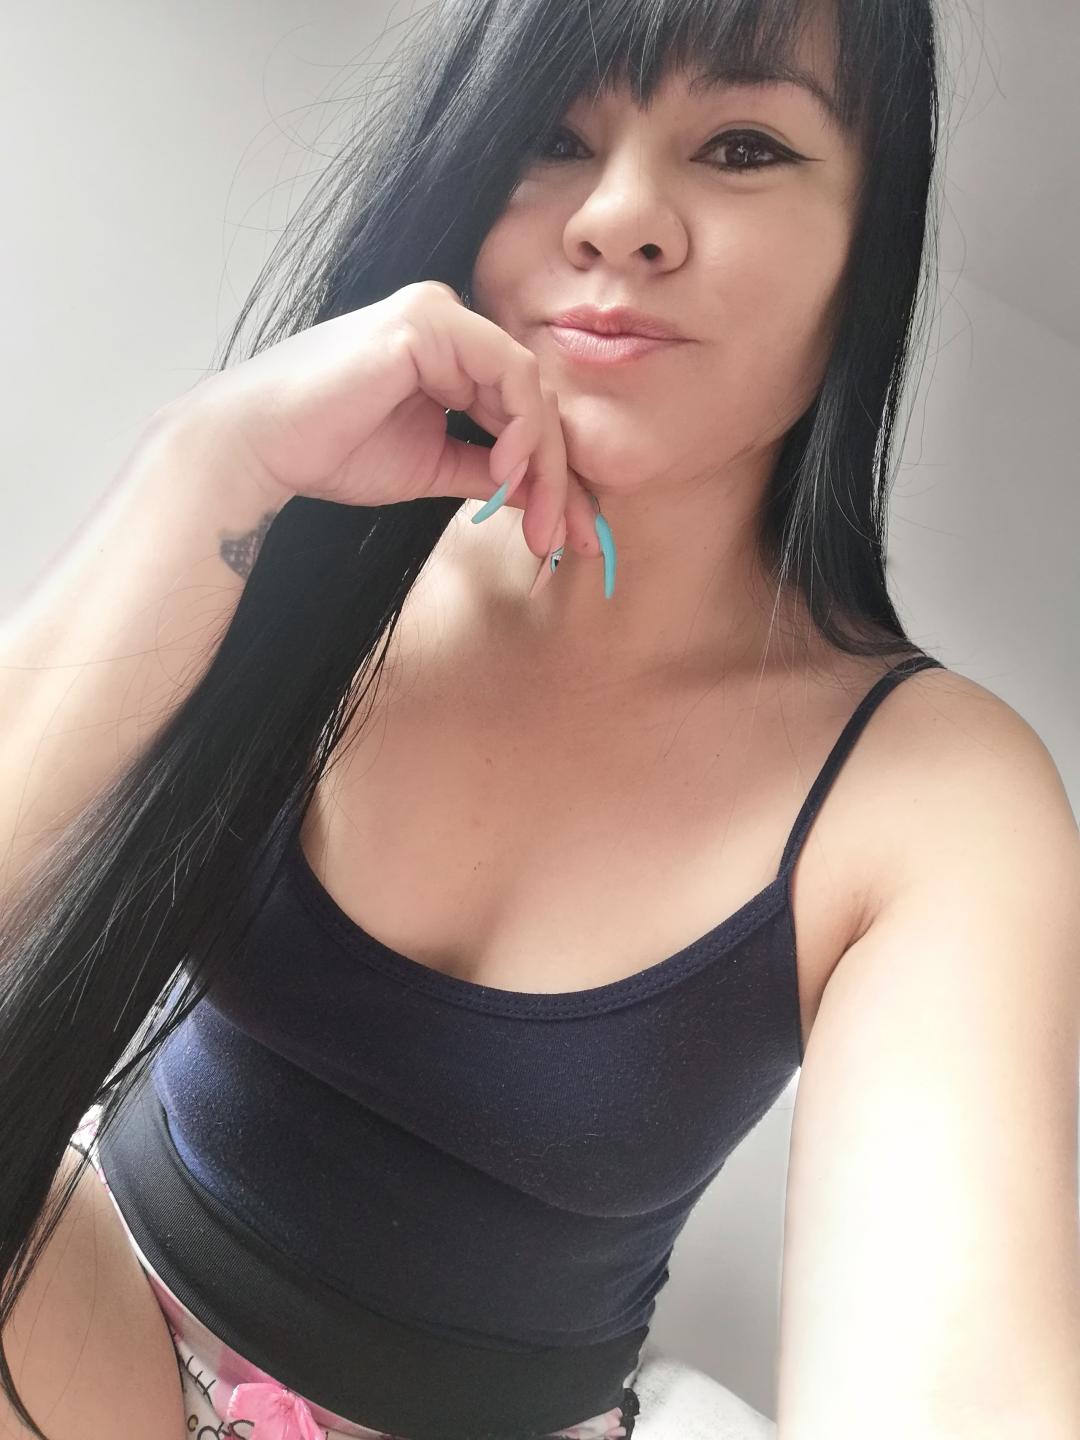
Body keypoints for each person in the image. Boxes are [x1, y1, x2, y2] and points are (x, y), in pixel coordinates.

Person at [3, 1, 1078, 1438]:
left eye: (742, 146)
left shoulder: (936, 799)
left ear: (864, 240)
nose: (619, 217)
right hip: (84, 1317)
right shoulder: (305, 535)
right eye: (556, 135)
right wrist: (199, 466)